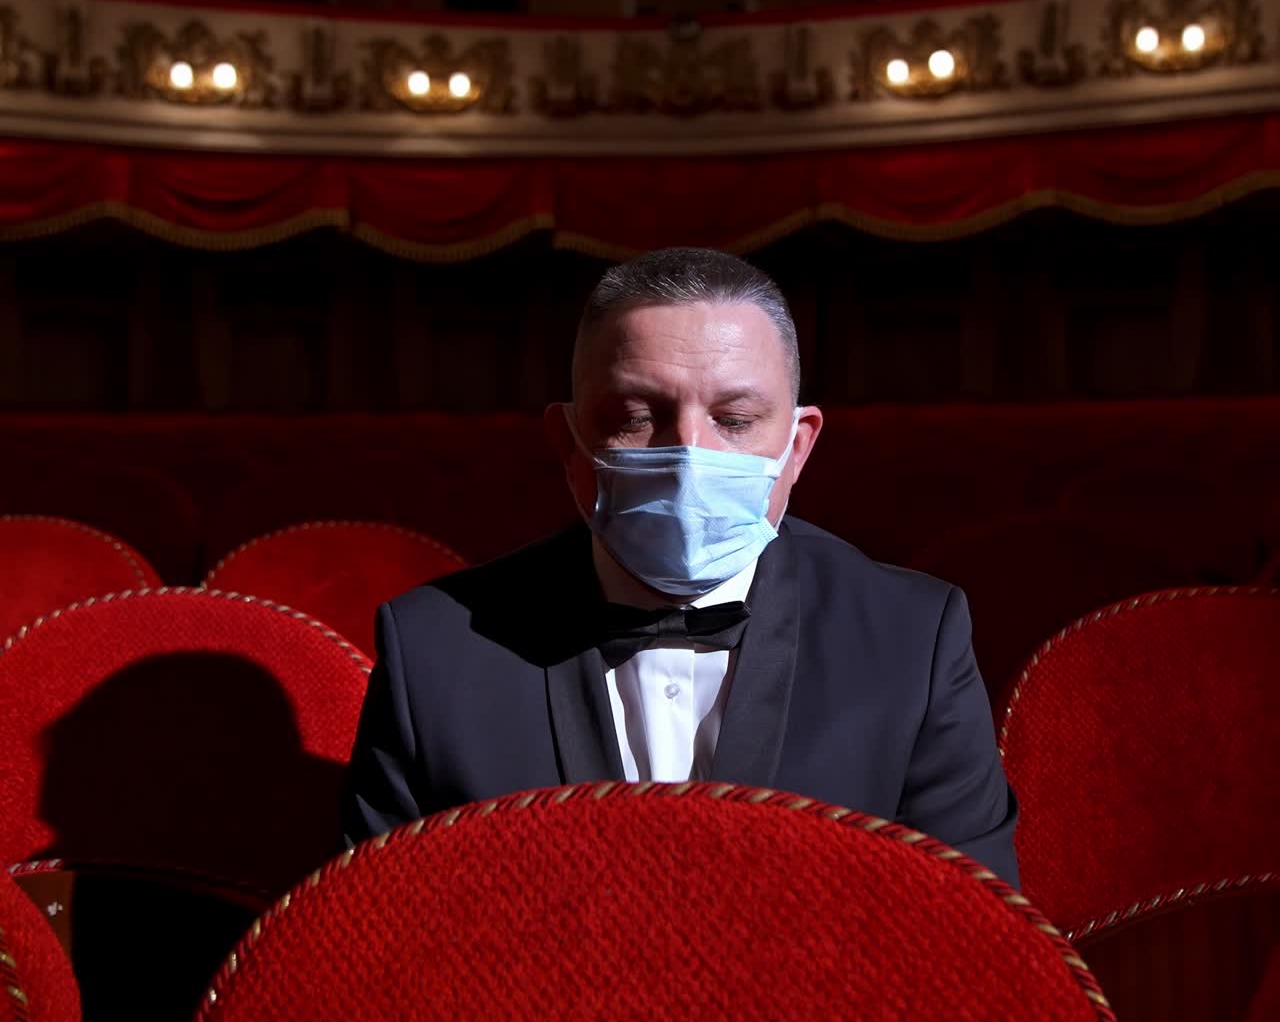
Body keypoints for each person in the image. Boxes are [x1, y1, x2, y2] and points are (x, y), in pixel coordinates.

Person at [342, 247, 1018, 885]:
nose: (690, 455)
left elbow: (972, 931)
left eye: (735, 419)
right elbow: (380, 930)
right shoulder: (433, 651)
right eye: (636, 417)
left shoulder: (912, 640)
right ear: (569, 445)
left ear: (797, 447)